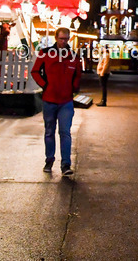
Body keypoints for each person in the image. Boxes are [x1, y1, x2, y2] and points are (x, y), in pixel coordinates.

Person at [31, 27, 82, 177]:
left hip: (66, 101)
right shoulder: (45, 53)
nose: (64, 41)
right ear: (56, 38)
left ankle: (66, 164)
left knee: (65, 132)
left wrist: (73, 87)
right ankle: (49, 159)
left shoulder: (73, 56)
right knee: (49, 131)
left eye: (66, 39)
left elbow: (78, 74)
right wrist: (45, 85)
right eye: (61, 38)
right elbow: (35, 71)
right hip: (49, 100)